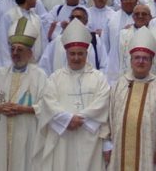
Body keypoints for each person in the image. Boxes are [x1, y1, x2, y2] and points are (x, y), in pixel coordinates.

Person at [35, 19, 111, 171]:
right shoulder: (55, 78)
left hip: (91, 137)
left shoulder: (98, 78)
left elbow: (102, 103)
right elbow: (48, 103)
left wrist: (78, 119)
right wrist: (67, 120)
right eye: (72, 54)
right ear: (67, 54)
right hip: (63, 135)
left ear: (86, 53)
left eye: (80, 54)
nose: (76, 58)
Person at [0, 16, 49, 171]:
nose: (15, 53)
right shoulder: (0, 73)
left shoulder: (39, 75)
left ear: (30, 53)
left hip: (27, 130)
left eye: (20, 49)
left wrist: (24, 109)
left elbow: (47, 104)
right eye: (13, 49)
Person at [106, 26, 156, 170]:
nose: (141, 62)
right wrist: (107, 146)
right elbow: (107, 117)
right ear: (130, 61)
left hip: (150, 154)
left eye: (145, 58)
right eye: (137, 58)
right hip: (120, 151)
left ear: (152, 62)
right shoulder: (119, 85)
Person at [107, 5, 156, 84]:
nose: (140, 16)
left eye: (144, 14)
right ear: (133, 17)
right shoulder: (122, 35)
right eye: (137, 14)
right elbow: (113, 63)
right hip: (126, 84)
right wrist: (113, 84)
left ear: (150, 17)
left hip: (152, 84)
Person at [39, 7, 104, 75]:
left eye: (78, 17)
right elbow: (45, 65)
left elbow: (104, 64)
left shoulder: (94, 40)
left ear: (86, 21)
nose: (75, 20)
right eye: (72, 17)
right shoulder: (58, 41)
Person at [0, 0, 45, 68]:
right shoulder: (9, 16)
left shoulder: (36, 18)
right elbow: (2, 42)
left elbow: (43, 41)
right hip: (13, 63)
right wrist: (7, 64)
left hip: (34, 65)